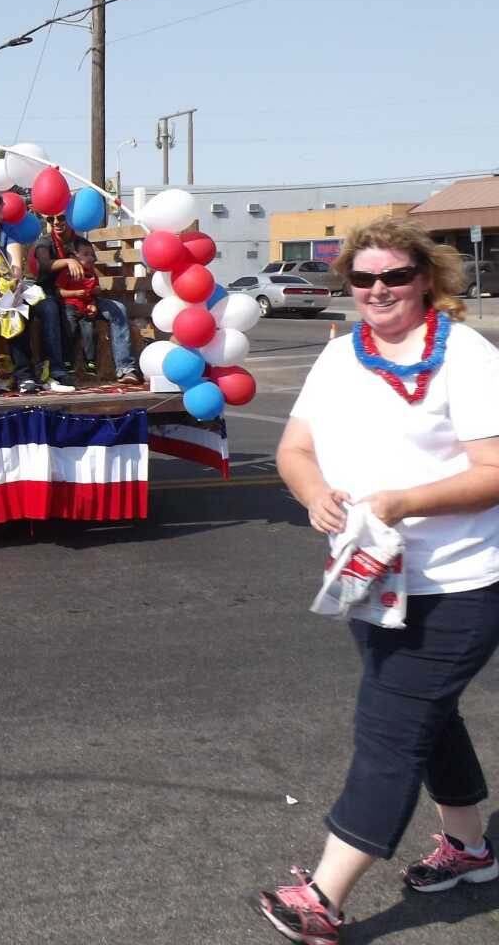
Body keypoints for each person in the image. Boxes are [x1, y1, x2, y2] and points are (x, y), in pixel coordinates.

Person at [260, 215, 499, 945]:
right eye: (364, 278)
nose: (379, 289)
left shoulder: (465, 355)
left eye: (396, 275)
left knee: (389, 730)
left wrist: (402, 502)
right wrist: (315, 496)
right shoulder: (341, 355)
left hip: (459, 585)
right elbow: (294, 449)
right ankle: (470, 848)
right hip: (369, 578)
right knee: (429, 716)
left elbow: (494, 470)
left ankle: (322, 898)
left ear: (426, 278)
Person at [0, 184, 72, 401]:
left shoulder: (6, 231)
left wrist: (11, 285)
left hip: (6, 287)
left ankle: (48, 372)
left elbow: (16, 268)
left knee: (41, 304)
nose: (4, 205)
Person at [35, 213, 139, 383]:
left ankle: (126, 368)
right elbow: (44, 265)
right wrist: (68, 262)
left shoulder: (81, 243)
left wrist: (93, 301)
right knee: (53, 311)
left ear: (71, 218)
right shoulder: (45, 242)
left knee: (118, 308)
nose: (56, 222)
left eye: (61, 218)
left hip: (84, 298)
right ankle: (58, 368)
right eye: (51, 219)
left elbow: (90, 277)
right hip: (55, 295)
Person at [56, 238, 104, 375]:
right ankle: (67, 360)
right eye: (86, 254)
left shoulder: (92, 274)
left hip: (85, 308)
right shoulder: (67, 273)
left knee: (90, 332)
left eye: (92, 255)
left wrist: (93, 303)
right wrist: (74, 293)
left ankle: (90, 361)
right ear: (74, 257)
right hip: (69, 306)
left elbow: (93, 293)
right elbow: (58, 291)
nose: (91, 258)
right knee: (69, 330)